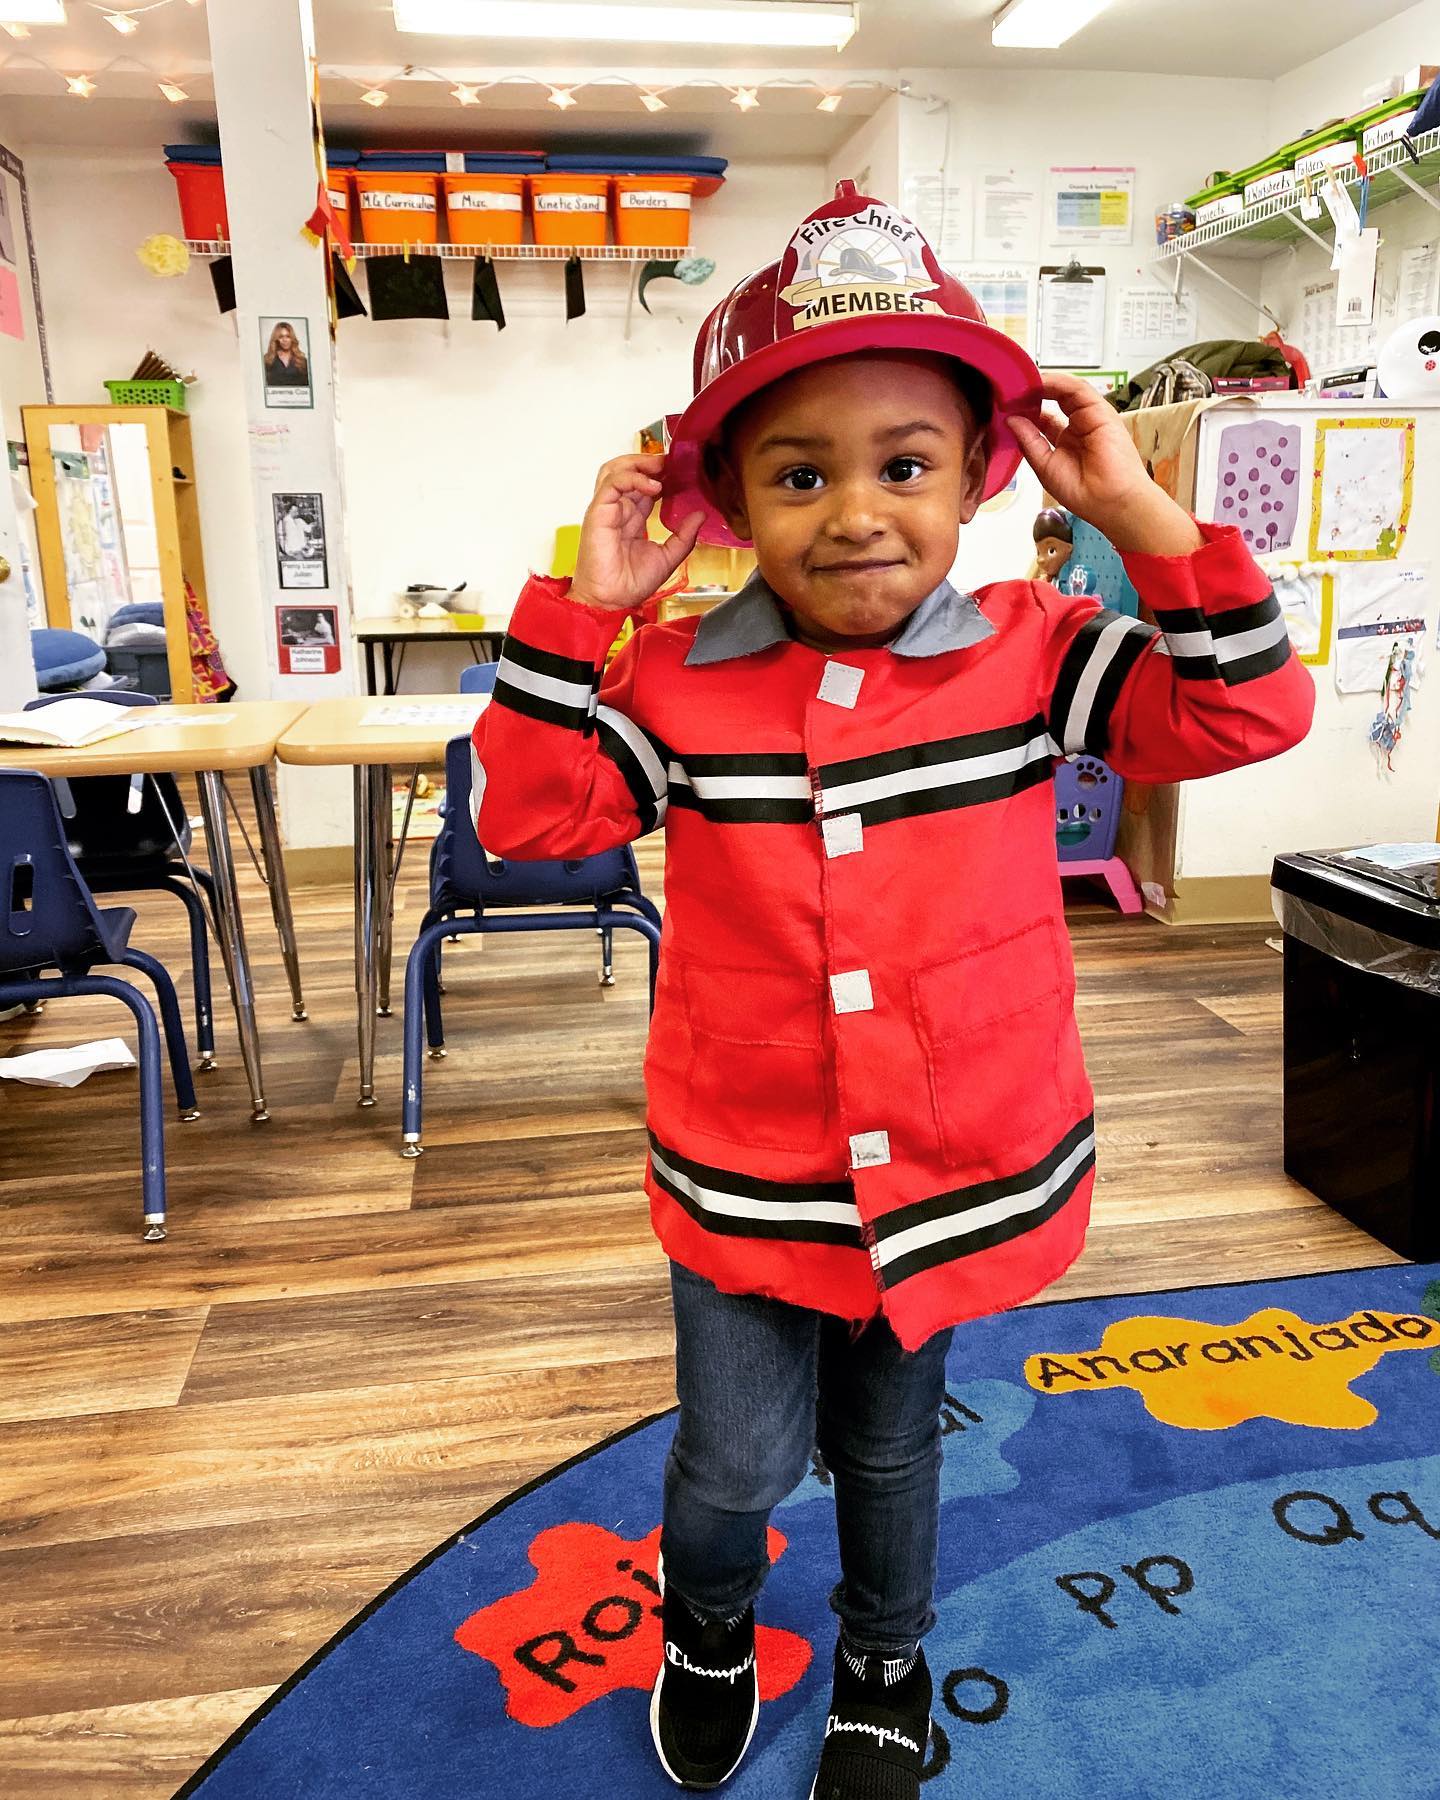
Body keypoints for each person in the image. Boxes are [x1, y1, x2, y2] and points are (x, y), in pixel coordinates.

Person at [470, 182, 1314, 1799]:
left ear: (979, 479)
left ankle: (885, 1655)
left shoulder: (1032, 646)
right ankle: (707, 1628)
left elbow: (1242, 719)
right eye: (800, 474)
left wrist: (1146, 520)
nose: (857, 512)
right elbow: (531, 817)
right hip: (749, 1163)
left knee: (894, 1447)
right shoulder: (681, 683)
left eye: (904, 466)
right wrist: (590, 608)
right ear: (730, 501)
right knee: (730, 1468)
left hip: (945, 1156)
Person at [264, 321, 309, 389]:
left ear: (292, 339)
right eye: (281, 337)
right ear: (276, 339)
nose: (285, 340)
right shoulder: (267, 360)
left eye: (288, 336)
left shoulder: (302, 360)